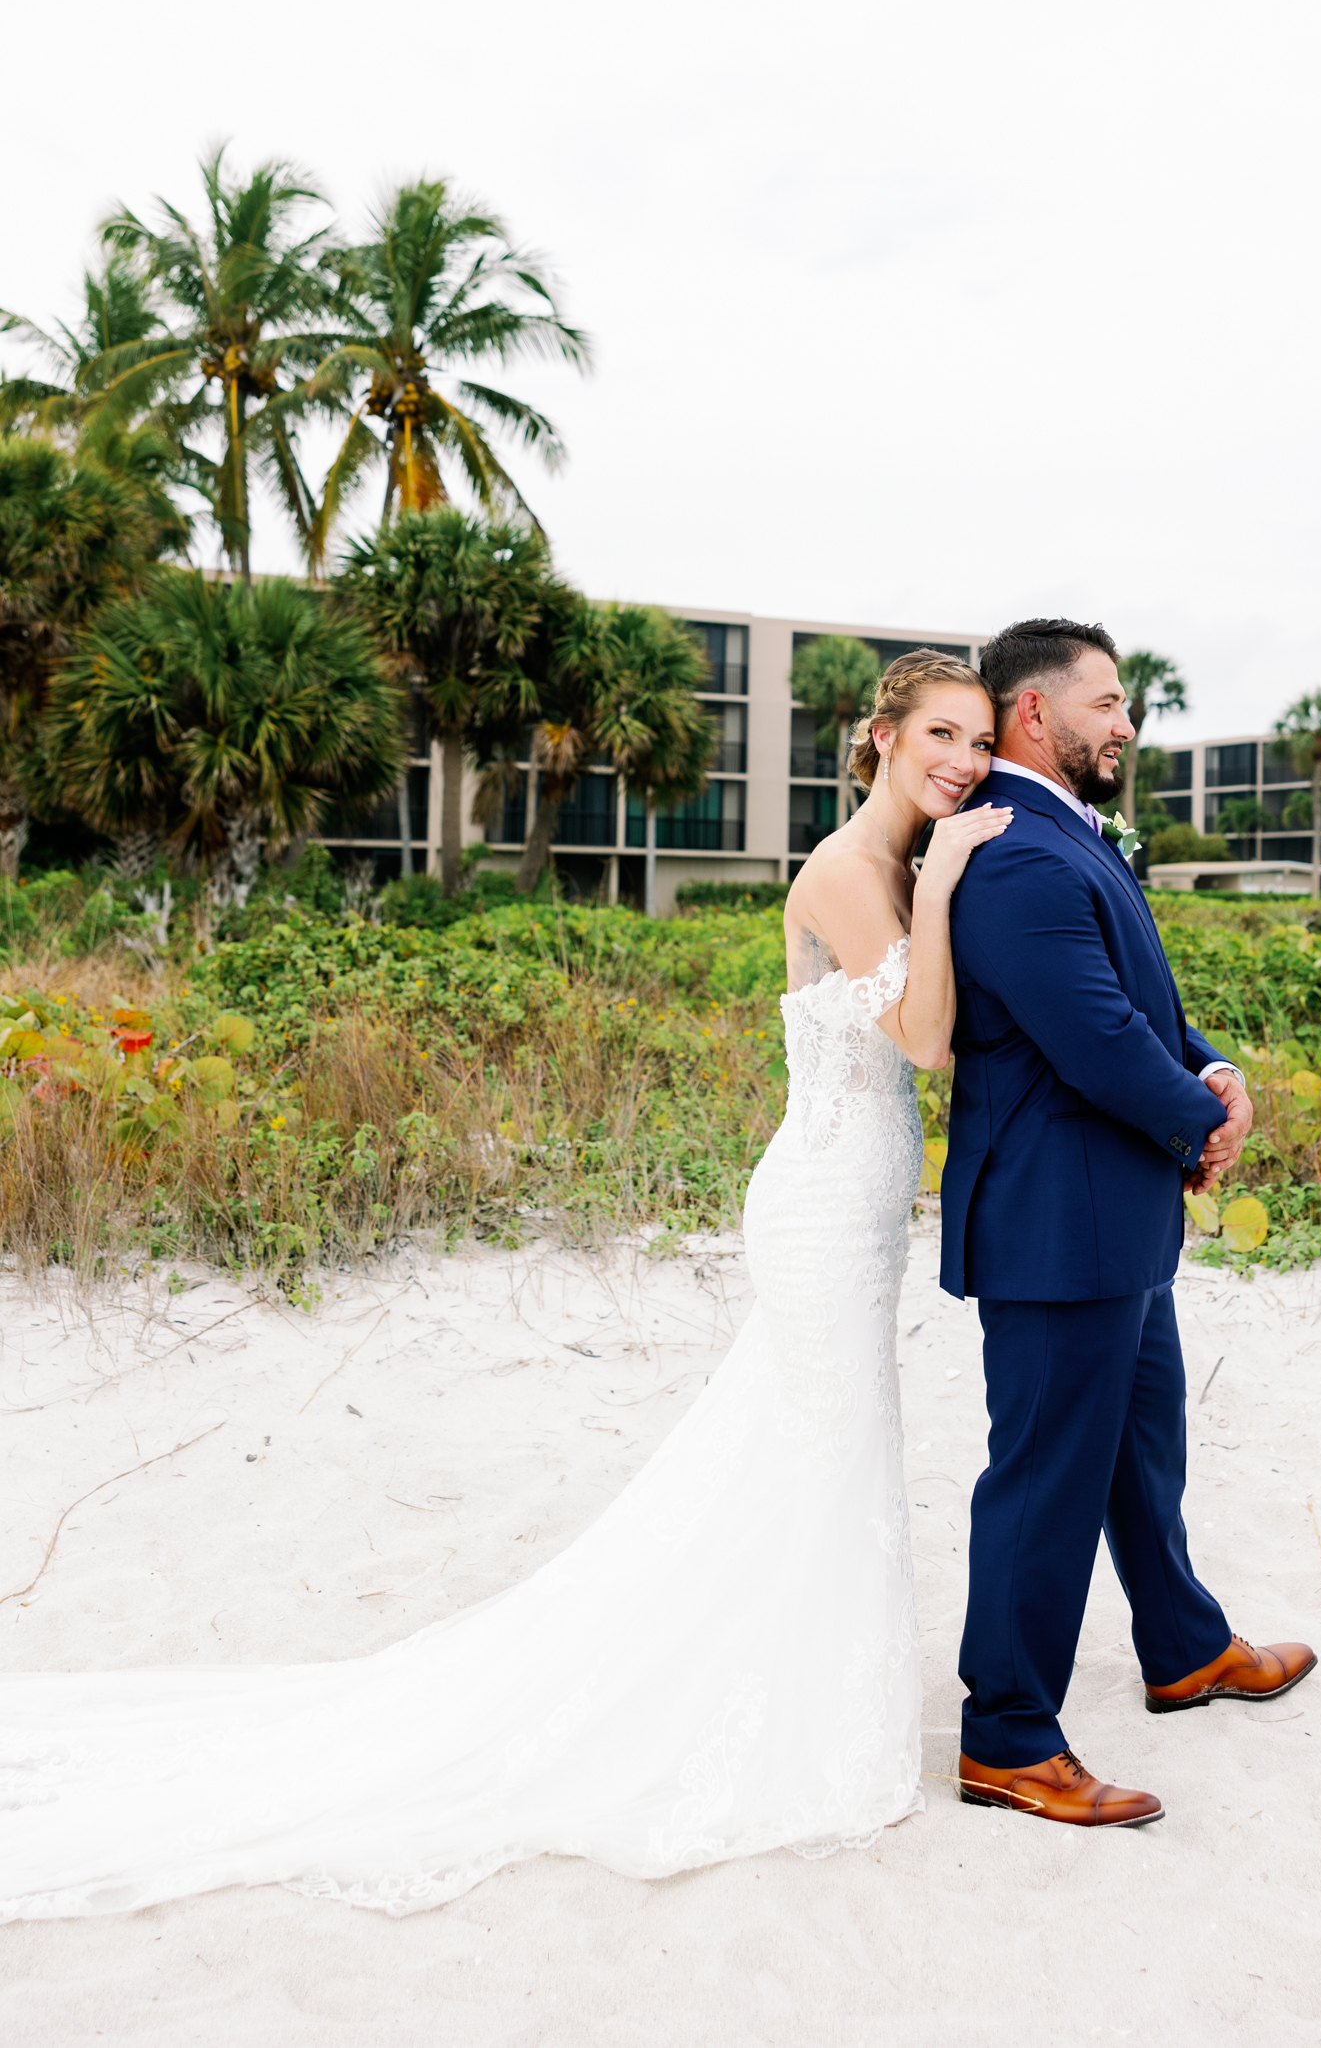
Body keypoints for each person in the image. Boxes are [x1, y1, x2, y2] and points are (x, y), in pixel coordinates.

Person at [0, 650, 1008, 1922]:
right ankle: (767, 1711)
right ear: (877, 736)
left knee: (820, 1454)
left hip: (862, 1205)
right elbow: (921, 1037)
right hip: (816, 1202)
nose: (962, 761)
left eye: (976, 739)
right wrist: (956, 875)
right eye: (939, 733)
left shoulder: (906, 868)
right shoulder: (850, 871)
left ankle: (797, 1690)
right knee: (823, 1445)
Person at [941, 618, 1315, 1829]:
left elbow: (1142, 1001)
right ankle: (1004, 1733)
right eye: (1108, 703)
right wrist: (1197, 1127)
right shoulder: (1009, 854)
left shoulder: (1065, 838)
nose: (1127, 724)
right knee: (1045, 1476)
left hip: (1114, 1220)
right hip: (1057, 1227)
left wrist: (1213, 1072)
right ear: (1035, 715)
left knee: (1139, 1449)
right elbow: (1092, 1037)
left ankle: (1182, 1647)